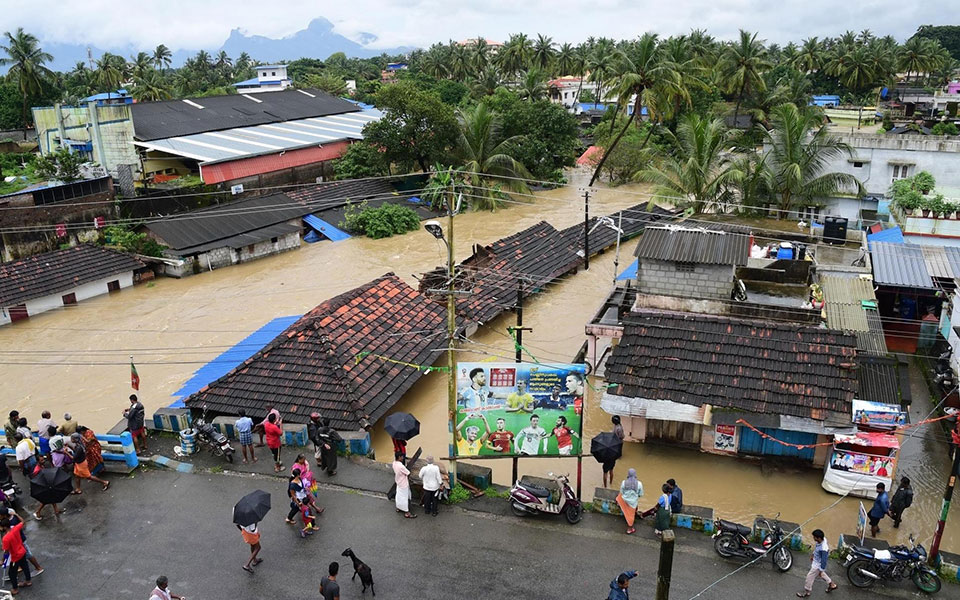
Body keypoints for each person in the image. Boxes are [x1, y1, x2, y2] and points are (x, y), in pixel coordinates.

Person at [797, 528, 837, 597]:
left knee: (809, 578)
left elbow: (824, 561)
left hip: (817, 565)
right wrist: (813, 555)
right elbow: (816, 548)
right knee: (822, 574)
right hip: (816, 561)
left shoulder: (823, 549)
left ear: (818, 538)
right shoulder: (822, 540)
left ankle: (807, 592)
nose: (813, 538)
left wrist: (821, 570)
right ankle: (832, 584)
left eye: (814, 537)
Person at [5, 509, 43, 579]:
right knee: (19, 555)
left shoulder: (12, 523)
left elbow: (22, 523)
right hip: (18, 541)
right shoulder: (12, 518)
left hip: (20, 541)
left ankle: (38, 568)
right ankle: (20, 567)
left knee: (28, 554)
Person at [1, 517, 31, 594]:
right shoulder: (15, 528)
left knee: (12, 573)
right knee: (25, 566)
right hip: (22, 551)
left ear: (4, 527)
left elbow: (6, 551)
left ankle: (15, 589)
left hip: (16, 556)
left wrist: (2, 560)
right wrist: (16, 514)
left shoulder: (5, 538)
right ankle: (28, 581)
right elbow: (23, 521)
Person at [616, 469, 643, 535]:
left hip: (625, 500)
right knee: (630, 516)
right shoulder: (639, 484)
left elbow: (622, 492)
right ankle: (630, 528)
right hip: (633, 503)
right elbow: (641, 494)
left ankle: (618, 503)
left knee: (619, 497)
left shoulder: (623, 482)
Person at [603, 416, 626, 488]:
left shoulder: (618, 428)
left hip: (616, 443)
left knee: (605, 473)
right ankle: (611, 483)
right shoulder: (618, 427)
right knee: (611, 470)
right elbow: (621, 436)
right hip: (614, 454)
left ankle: (605, 486)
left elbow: (621, 436)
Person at [393, 451, 416, 518]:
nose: (403, 458)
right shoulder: (401, 466)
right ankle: (407, 512)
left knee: (399, 496)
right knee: (404, 498)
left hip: (398, 482)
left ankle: (398, 507)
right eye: (402, 457)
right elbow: (408, 473)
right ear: (399, 457)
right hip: (404, 484)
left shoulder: (394, 463)